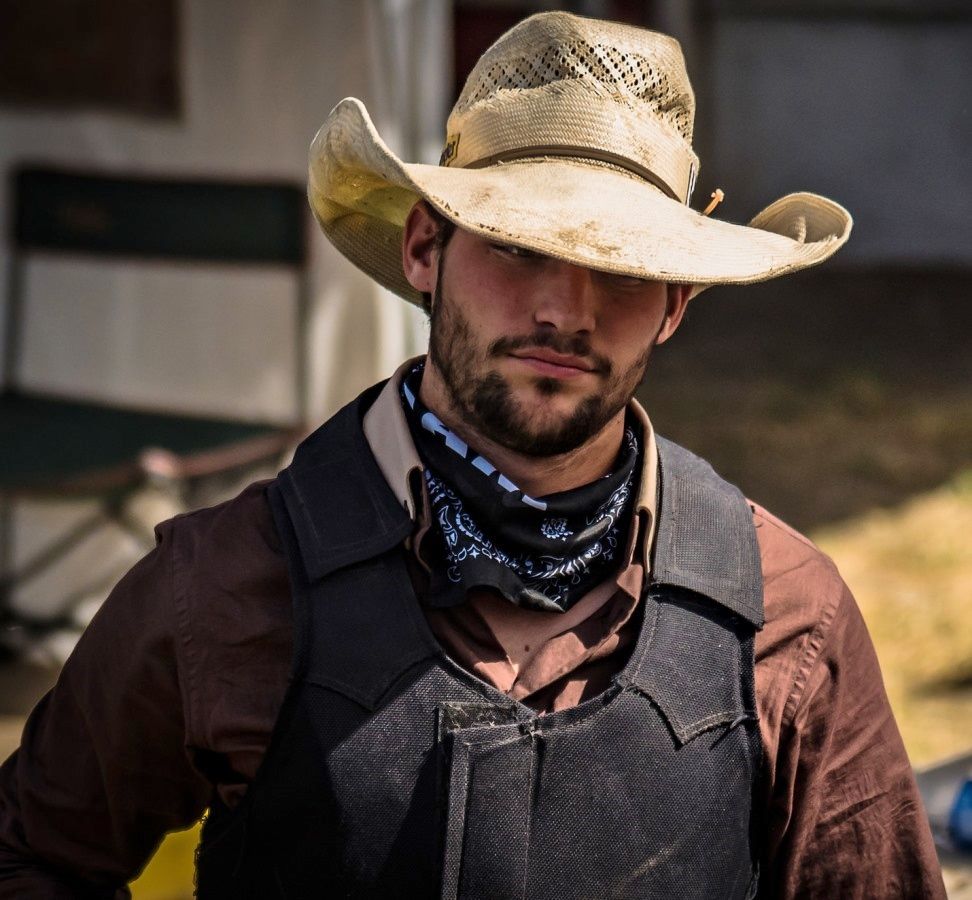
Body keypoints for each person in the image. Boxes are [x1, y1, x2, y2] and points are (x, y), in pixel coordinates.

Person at [0, 11, 946, 899]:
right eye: (519, 245)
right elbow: (29, 858)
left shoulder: (785, 615)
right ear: (424, 248)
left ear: (673, 305)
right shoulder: (221, 587)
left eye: (620, 267)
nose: (564, 311)